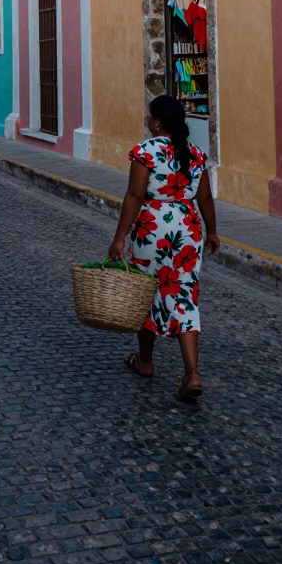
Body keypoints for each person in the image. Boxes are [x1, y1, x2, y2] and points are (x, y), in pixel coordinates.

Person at [108, 93, 220, 402]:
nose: (147, 119)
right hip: (187, 228)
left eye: (149, 115)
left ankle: (145, 361)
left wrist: (119, 238)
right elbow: (206, 198)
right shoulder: (195, 154)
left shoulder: (146, 151)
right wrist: (212, 232)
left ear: (157, 121)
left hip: (153, 229)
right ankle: (192, 373)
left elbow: (134, 195)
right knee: (183, 294)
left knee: (145, 290)